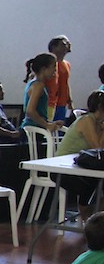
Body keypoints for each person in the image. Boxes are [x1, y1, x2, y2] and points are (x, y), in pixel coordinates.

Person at [55, 91, 104, 221]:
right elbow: (98, 147)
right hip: (62, 169)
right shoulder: (87, 120)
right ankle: (87, 218)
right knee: (93, 182)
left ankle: (92, 217)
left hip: (80, 166)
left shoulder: (98, 122)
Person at [21, 53, 66, 132]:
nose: (55, 71)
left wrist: (50, 123)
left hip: (34, 127)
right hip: (34, 129)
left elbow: (38, 113)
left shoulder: (33, 83)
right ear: (44, 69)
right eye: (54, 67)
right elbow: (30, 111)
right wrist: (46, 125)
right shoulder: (38, 85)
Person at [45, 35, 73, 123]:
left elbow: (66, 83)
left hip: (62, 104)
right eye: (63, 44)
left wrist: (70, 101)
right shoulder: (47, 64)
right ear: (54, 47)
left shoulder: (67, 64)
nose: (67, 46)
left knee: (60, 127)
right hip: (48, 103)